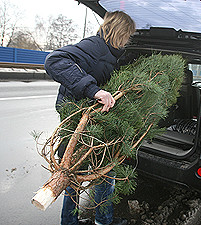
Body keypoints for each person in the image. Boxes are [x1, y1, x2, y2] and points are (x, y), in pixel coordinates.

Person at [44, 11, 136, 225]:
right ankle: (69, 222)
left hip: (95, 120)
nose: (128, 40)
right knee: (72, 173)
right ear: (120, 31)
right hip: (77, 119)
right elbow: (54, 61)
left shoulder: (113, 54)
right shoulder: (95, 46)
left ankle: (103, 219)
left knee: (105, 169)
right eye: (127, 35)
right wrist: (93, 90)